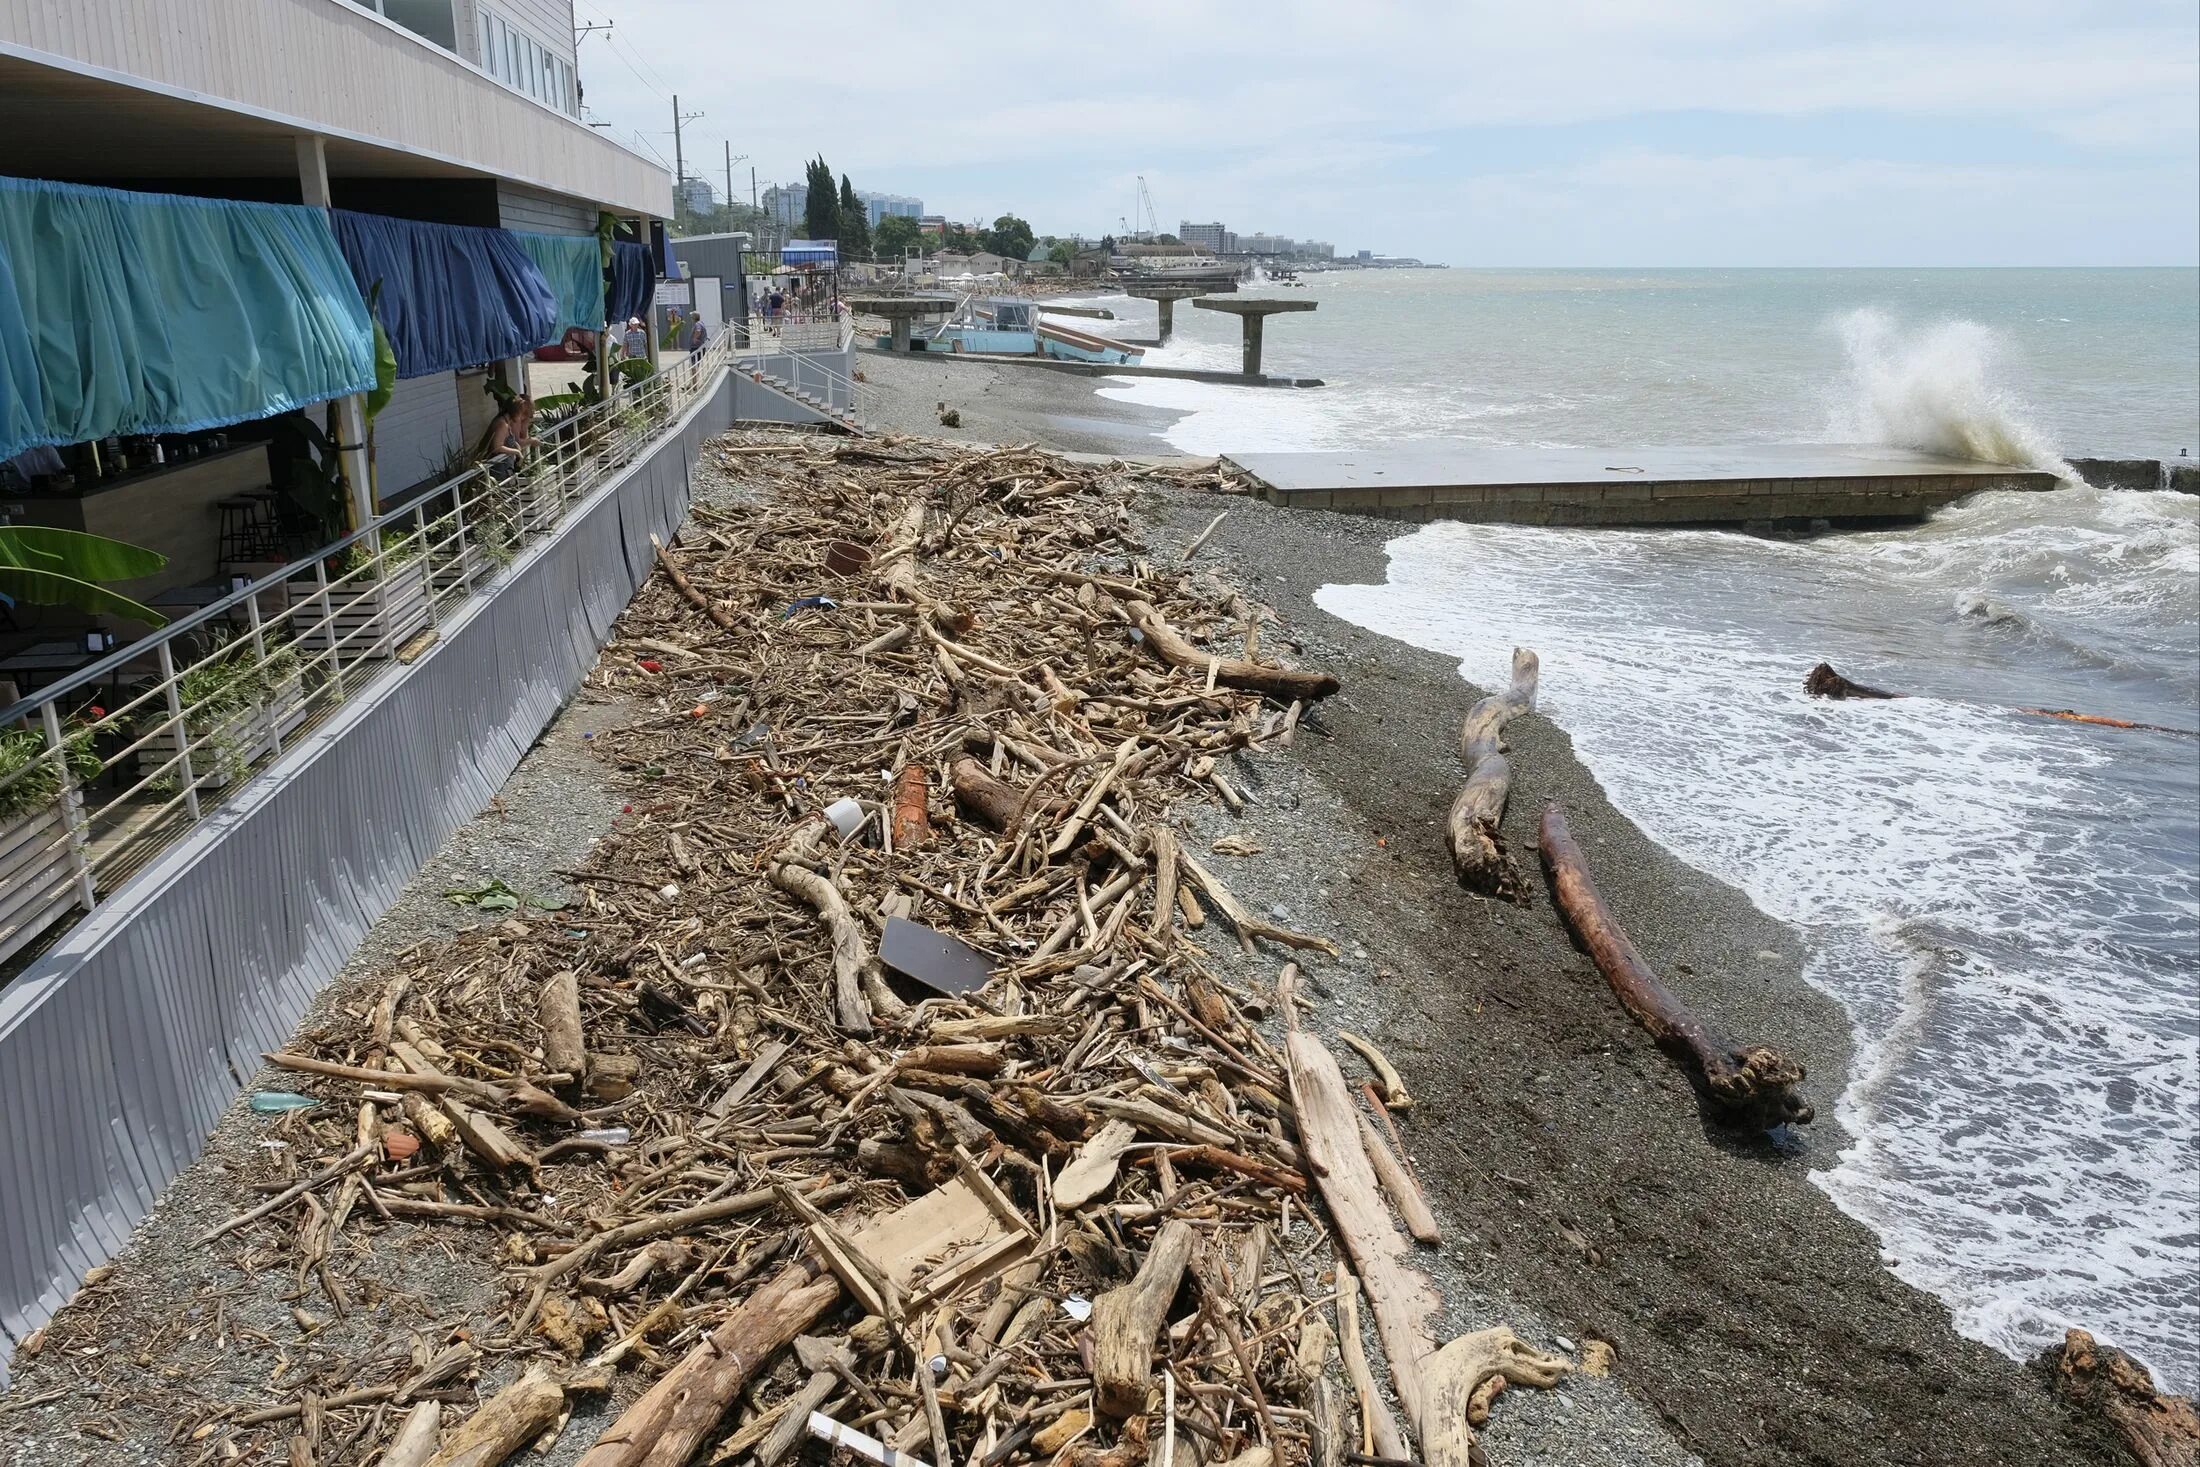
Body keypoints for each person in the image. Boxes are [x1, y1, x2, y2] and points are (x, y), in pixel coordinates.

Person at [486, 393, 534, 479]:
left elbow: (506, 440)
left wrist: (515, 444)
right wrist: (516, 452)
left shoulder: (506, 423)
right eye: (521, 414)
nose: (521, 418)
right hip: (500, 470)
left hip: (507, 468)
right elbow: (497, 447)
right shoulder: (502, 424)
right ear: (514, 412)